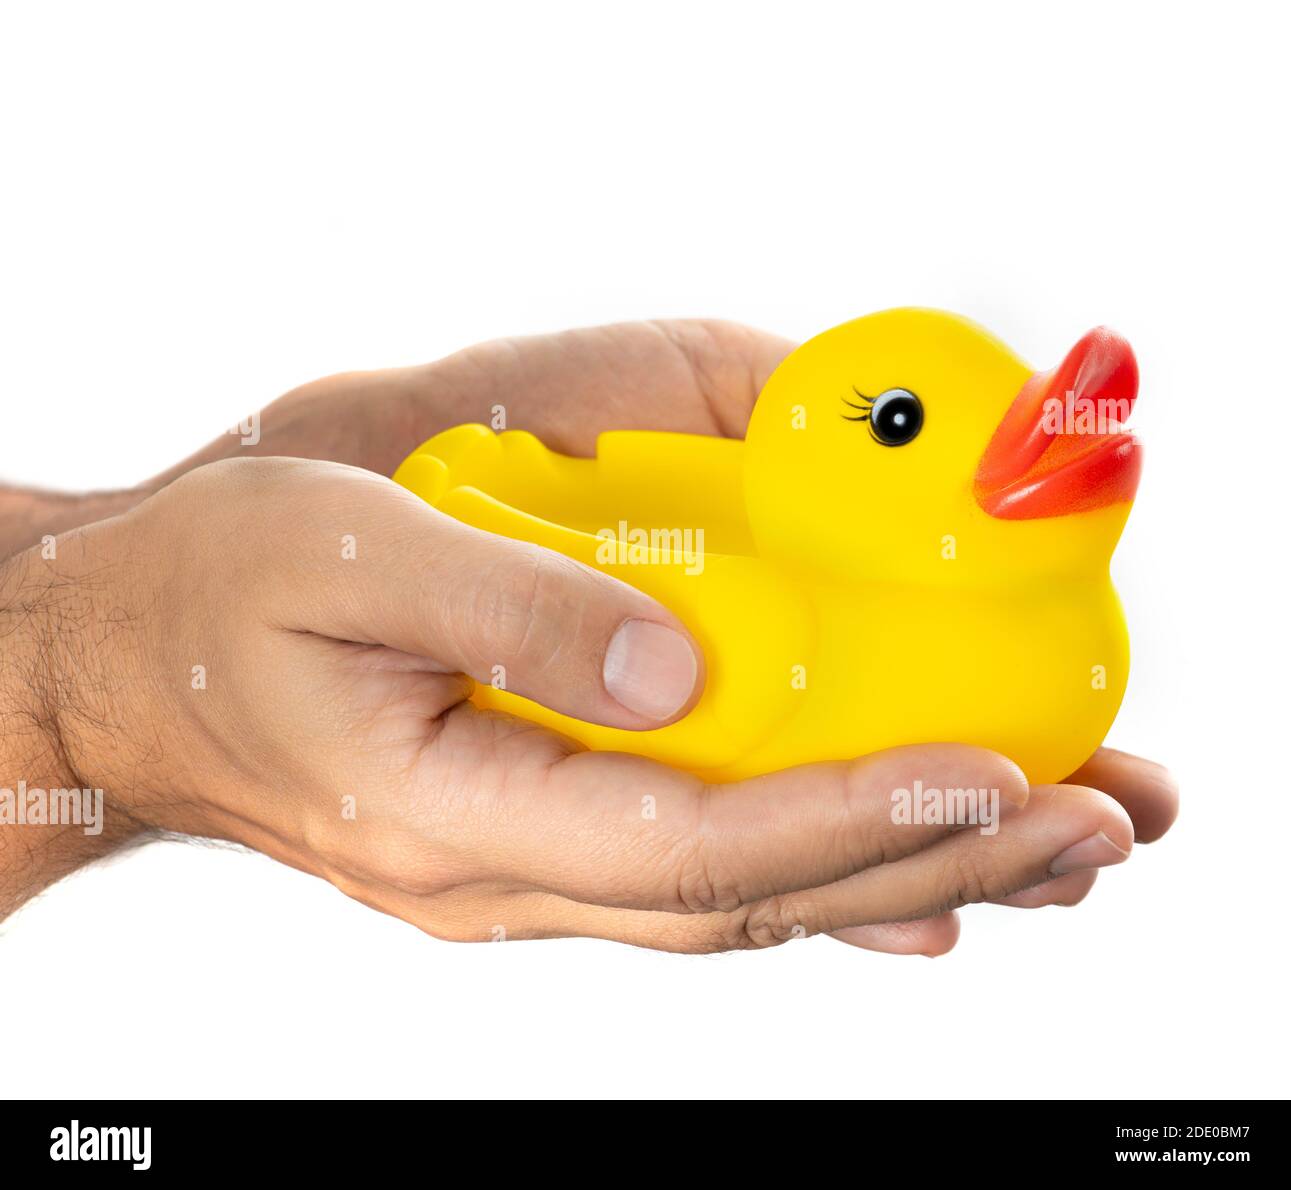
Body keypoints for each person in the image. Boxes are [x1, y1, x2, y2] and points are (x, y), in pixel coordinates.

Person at [0, 320, 1178, 954]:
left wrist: (123, 597)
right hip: (488, 511)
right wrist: (78, 712)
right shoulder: (768, 632)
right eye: (907, 424)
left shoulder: (1038, 604)